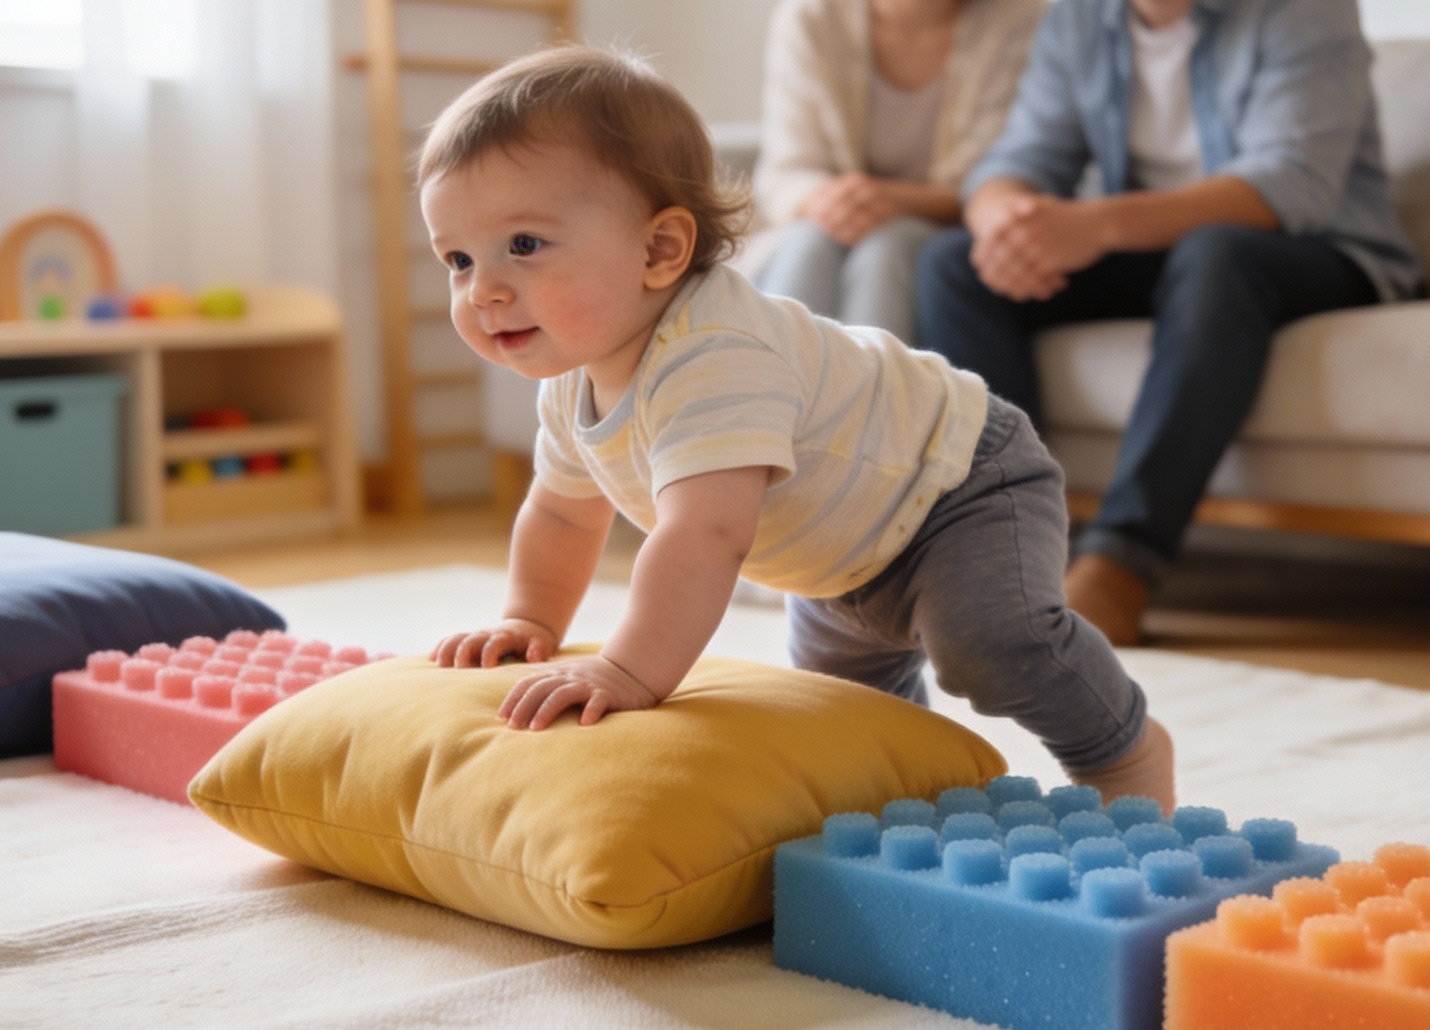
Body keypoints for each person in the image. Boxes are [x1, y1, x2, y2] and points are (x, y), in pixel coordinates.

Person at [421, 45, 1175, 807]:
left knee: (990, 649)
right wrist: (528, 618)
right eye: (457, 259)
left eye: (523, 246)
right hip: (835, 549)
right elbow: (559, 511)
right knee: (848, 725)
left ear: (659, 250)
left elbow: (706, 535)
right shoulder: (571, 373)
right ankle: (918, 793)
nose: (482, 290)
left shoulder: (713, 356)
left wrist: (627, 670)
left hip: (956, 483)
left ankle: (1122, 750)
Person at [916, 0, 1422, 646]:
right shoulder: (1078, 19)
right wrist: (1006, 218)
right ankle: (1005, 553)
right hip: (1171, 256)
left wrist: (1089, 225)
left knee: (1217, 250)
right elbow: (1014, 162)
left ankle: (1121, 562)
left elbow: (1286, 188)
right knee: (952, 263)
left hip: (1319, 253)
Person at [752, 0, 1047, 343]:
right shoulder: (810, 16)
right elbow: (787, 172)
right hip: (826, 230)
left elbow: (1005, 173)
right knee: (810, 241)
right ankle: (752, 416)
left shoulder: (1022, 18)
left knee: (890, 245)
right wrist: (832, 201)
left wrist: (892, 202)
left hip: (943, 237)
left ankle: (875, 424)